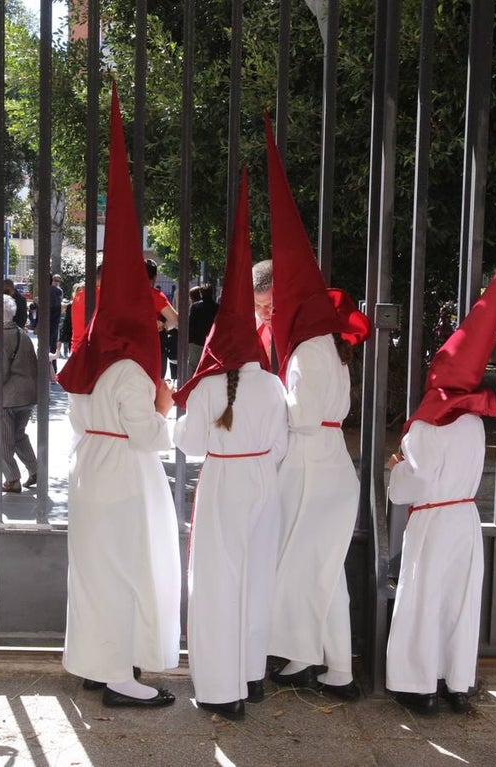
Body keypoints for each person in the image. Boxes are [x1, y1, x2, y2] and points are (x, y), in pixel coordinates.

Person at [55, 84, 180, 709]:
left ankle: (94, 663)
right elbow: (151, 436)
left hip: (87, 470)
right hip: (125, 475)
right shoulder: (133, 370)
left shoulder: (88, 357)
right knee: (129, 568)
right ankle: (121, 678)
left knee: (95, 573)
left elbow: (80, 415)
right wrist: (166, 408)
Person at [386, 218, 496, 717]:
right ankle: (456, 683)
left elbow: (411, 486)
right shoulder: (475, 423)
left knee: (423, 599)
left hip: (431, 520)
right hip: (465, 520)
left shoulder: (423, 429)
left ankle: (419, 686)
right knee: (458, 601)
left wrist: (395, 472)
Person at [173, 169, 287, 721]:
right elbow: (282, 446)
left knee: (217, 581)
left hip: (221, 482)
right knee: (256, 577)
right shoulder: (273, 385)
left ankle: (222, 690)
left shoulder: (207, 385)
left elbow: (189, 445)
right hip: (264, 482)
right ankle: (251, 675)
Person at [264, 117, 371, 700]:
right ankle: (337, 670)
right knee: (326, 574)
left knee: (305, 567)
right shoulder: (332, 347)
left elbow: (298, 411)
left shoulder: (306, 347)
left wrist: (265, 396)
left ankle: (306, 659)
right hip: (336, 461)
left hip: (307, 462)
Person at [0, 293, 40, 493]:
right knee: (18, 435)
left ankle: (12, 479)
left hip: (8, 397)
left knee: (3, 439)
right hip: (27, 395)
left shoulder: (0, 337)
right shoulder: (22, 334)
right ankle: (35, 469)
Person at [187, 283, 218, 370]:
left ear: (201, 294)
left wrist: (190, 340)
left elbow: (191, 324)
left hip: (196, 342)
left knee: (193, 365)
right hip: (211, 343)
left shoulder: (195, 306)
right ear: (212, 293)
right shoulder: (217, 307)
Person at [252, 258, 275, 371]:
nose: (264, 313)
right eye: (257, 305)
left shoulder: (302, 333)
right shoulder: (254, 331)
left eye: (269, 305)